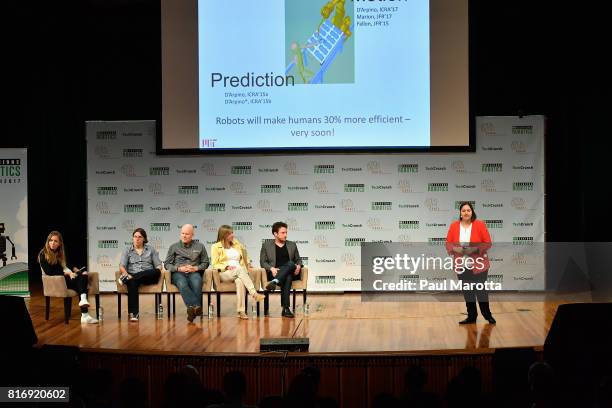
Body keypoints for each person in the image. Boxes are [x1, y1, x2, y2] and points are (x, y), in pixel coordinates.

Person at [445, 202, 495, 324]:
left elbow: (488, 243)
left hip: (479, 265)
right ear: (460, 213)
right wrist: (455, 249)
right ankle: (472, 317)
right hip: (462, 265)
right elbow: (448, 243)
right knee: (468, 292)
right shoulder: (454, 226)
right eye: (463, 211)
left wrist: (474, 249)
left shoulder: (479, 225)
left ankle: (487, 315)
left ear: (472, 212)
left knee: (481, 291)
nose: (466, 212)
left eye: (468, 210)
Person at [38, 231, 98, 324]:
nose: (52, 243)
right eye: (51, 240)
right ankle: (85, 313)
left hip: (68, 278)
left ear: (60, 243)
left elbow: (69, 265)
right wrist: (68, 274)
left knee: (83, 276)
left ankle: (83, 303)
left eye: (55, 241)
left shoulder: (61, 252)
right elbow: (49, 272)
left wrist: (78, 271)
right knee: (82, 282)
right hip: (58, 281)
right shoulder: (43, 254)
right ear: (48, 241)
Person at [210, 225, 265, 319]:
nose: (232, 235)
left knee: (240, 281)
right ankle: (254, 294)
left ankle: (241, 311)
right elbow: (214, 264)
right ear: (223, 235)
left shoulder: (236, 244)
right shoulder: (215, 246)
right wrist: (226, 266)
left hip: (238, 272)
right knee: (239, 269)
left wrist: (248, 263)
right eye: (230, 233)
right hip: (224, 272)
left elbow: (244, 255)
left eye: (232, 233)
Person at [164, 224, 209, 322]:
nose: (184, 236)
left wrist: (196, 268)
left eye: (187, 234)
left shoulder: (200, 246)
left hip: (193, 272)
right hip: (178, 273)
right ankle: (197, 306)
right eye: (182, 233)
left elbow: (206, 263)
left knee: (197, 282)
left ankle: (191, 313)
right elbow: (167, 264)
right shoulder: (174, 247)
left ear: (192, 235)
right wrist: (178, 269)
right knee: (182, 283)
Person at [260, 221, 303, 318]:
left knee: (291, 264)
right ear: (275, 234)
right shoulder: (266, 245)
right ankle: (286, 309)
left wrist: (299, 266)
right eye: (283, 233)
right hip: (274, 272)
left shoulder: (292, 245)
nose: (285, 235)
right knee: (287, 277)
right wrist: (271, 268)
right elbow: (263, 262)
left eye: (286, 232)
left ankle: (274, 282)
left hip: (291, 271)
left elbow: (298, 260)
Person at [118, 228, 162, 322]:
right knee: (133, 282)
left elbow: (158, 265)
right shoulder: (127, 250)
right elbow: (122, 266)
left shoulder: (151, 249)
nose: (137, 239)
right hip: (133, 276)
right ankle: (134, 314)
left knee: (157, 271)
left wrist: (129, 277)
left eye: (139, 237)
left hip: (149, 276)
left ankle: (128, 278)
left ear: (144, 239)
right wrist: (126, 273)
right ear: (132, 238)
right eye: (135, 237)